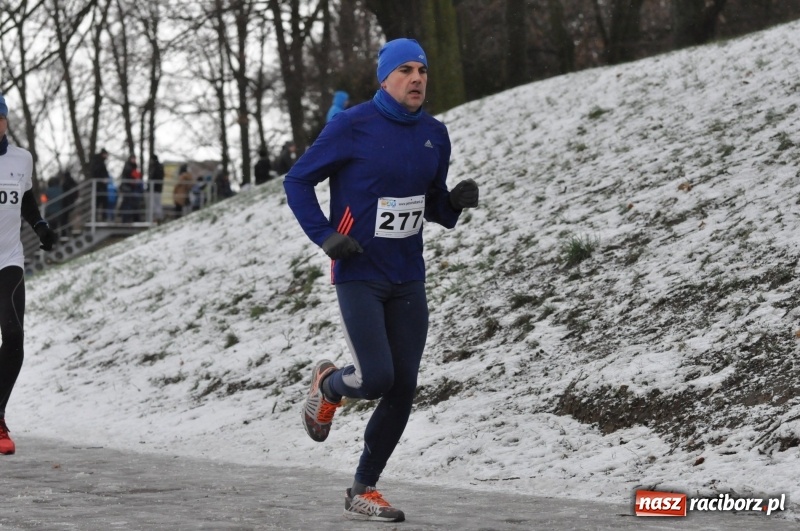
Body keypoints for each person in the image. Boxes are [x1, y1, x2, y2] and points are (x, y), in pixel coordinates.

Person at [284, 38, 479, 522]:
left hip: (408, 275)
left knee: (403, 386)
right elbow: (297, 180)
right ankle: (328, 387)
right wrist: (326, 236)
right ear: (385, 78)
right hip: (359, 272)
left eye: (423, 70)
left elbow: (430, 204)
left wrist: (452, 202)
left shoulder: (435, 133)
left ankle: (363, 488)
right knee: (375, 377)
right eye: (406, 70)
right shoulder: (351, 126)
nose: (417, 78)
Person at [0, 92, 58, 455]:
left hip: (8, 259)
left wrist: (39, 225)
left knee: (14, 338)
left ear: (5, 120)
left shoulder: (23, 159)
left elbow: (24, 198)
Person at [88, 148, 109, 221]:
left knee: (101, 202)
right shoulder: (98, 162)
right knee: (99, 202)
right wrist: (102, 179)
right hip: (99, 186)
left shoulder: (99, 161)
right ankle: (98, 218)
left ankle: (101, 217)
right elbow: (97, 172)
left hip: (101, 186)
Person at [59, 170, 78, 237]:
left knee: (64, 218)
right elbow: (76, 191)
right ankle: (69, 230)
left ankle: (65, 232)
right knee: (67, 218)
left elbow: (64, 192)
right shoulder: (73, 182)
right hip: (71, 202)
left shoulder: (65, 183)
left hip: (66, 203)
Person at [148, 154, 164, 223]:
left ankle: (158, 218)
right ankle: (158, 218)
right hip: (157, 188)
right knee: (157, 204)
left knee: (155, 204)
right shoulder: (159, 166)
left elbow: (154, 177)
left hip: (155, 189)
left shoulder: (156, 167)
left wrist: (150, 186)